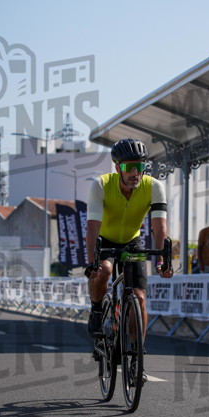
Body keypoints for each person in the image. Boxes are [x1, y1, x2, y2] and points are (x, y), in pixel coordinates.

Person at [84, 139, 173, 352]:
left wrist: (161, 260)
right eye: (128, 167)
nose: (135, 173)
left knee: (139, 297)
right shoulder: (101, 185)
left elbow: (159, 228)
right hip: (104, 239)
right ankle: (97, 310)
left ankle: (136, 352)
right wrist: (91, 264)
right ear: (117, 168)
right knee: (104, 270)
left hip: (132, 242)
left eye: (140, 167)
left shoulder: (154, 187)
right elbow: (92, 229)